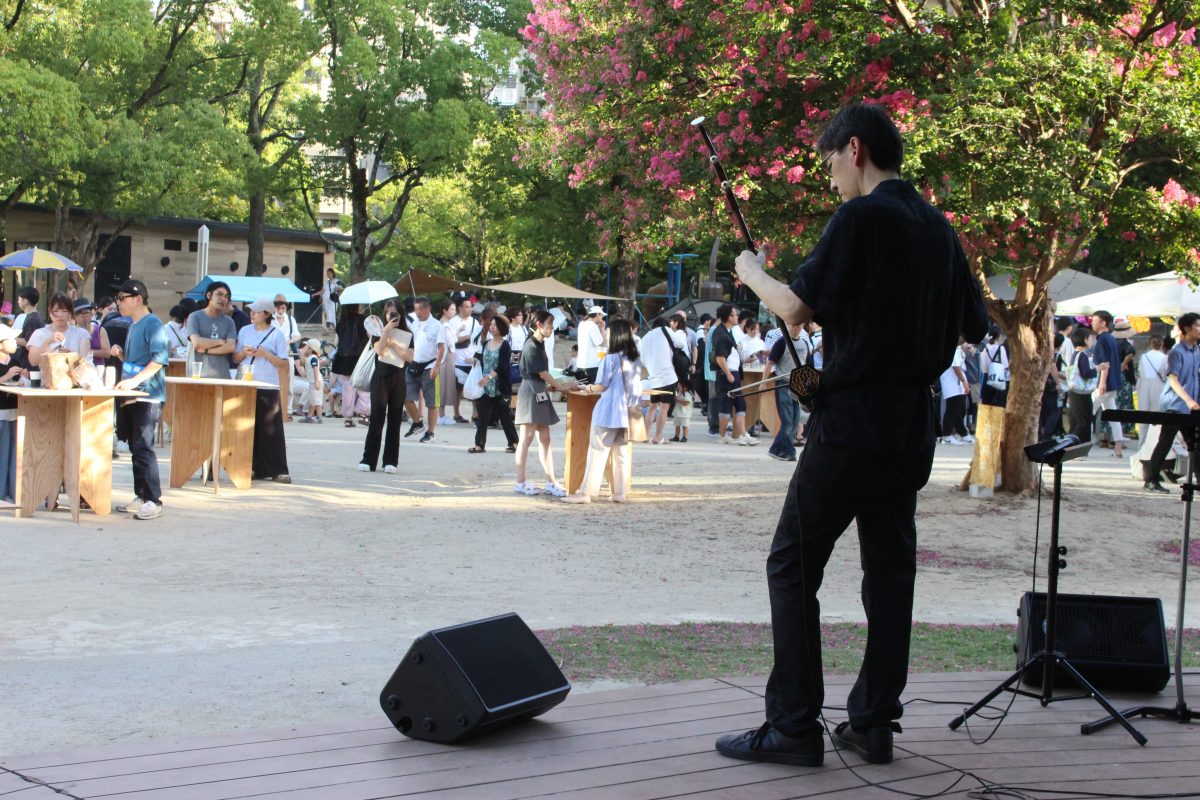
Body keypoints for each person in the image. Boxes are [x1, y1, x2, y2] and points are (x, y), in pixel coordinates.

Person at [715, 103, 988, 768]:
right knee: (889, 574)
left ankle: (794, 726)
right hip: (911, 427)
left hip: (852, 426)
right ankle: (872, 723)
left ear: (856, 150)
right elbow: (970, 327)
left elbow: (793, 306)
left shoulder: (862, 216)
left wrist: (751, 272)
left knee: (792, 564)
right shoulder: (939, 229)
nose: (831, 175)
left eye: (831, 161)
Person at [562, 318, 642, 504]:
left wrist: (585, 388)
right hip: (627, 412)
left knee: (597, 453)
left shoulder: (610, 359)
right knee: (620, 455)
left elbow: (600, 386)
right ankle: (619, 493)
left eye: (607, 331)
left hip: (607, 411)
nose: (605, 333)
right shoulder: (634, 359)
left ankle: (585, 493)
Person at [111, 279, 170, 520]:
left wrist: (135, 382)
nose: (119, 303)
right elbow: (138, 360)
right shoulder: (133, 325)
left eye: (122, 298)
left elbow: (159, 359)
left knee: (144, 447)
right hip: (132, 394)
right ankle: (142, 495)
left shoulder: (153, 324)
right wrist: (121, 355)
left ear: (138, 298)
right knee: (135, 446)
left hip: (148, 395)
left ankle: (154, 499)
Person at [231, 298, 292, 483]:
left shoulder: (277, 334)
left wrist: (265, 354)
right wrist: (246, 353)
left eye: (256, 311)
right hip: (246, 383)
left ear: (266, 314)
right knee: (249, 428)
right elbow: (235, 357)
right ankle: (252, 467)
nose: (252, 314)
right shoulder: (244, 331)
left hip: (268, 385)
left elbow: (284, 363)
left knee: (271, 430)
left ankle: (278, 468)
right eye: (252, 311)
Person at [514, 309, 569, 497]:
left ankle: (551, 481)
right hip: (531, 390)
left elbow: (544, 374)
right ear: (539, 325)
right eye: (549, 325)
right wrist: (560, 386)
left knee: (545, 438)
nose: (552, 329)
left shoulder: (538, 344)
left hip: (539, 390)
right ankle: (520, 481)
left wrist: (553, 385)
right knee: (526, 438)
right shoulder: (531, 345)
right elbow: (542, 373)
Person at [1143, 313, 1200, 493]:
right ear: (1187, 329)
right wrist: (1189, 400)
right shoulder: (1176, 352)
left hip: (1191, 406)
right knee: (1165, 442)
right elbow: (1173, 380)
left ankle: (1198, 479)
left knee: (1195, 442)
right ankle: (1150, 480)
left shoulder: (1196, 350)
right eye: (1198, 325)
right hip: (1175, 405)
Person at [359, 301, 412, 473]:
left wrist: (395, 344)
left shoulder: (408, 333)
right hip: (380, 378)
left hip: (398, 378)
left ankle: (391, 461)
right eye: (389, 314)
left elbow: (410, 357)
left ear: (401, 314)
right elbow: (380, 350)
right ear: (385, 315)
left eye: (395, 313)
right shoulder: (377, 331)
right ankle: (368, 460)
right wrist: (385, 333)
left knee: (395, 420)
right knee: (376, 419)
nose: (392, 317)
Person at [468, 314, 519, 454]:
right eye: (491, 325)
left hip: (499, 386)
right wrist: (474, 361)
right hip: (485, 387)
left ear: (501, 328)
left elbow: (502, 367)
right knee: (482, 416)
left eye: (495, 325)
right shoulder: (486, 343)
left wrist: (489, 377)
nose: (491, 327)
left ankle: (514, 443)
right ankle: (479, 445)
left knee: (504, 416)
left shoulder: (505, 345)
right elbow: (483, 361)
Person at [710, 303, 757, 445]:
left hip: (734, 372)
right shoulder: (721, 333)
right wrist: (728, 373)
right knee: (726, 404)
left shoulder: (727, 332)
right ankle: (723, 435)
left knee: (740, 404)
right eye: (735, 314)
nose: (737, 316)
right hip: (727, 374)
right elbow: (720, 357)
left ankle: (743, 434)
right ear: (728, 317)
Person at [766, 321, 810, 462]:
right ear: (788, 326)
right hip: (783, 385)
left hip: (798, 387)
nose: (796, 328)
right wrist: (763, 382)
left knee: (795, 421)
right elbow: (770, 363)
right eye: (793, 325)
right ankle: (789, 451)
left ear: (802, 326)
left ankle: (777, 449)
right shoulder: (781, 343)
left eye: (799, 325)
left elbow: (807, 366)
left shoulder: (804, 344)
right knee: (787, 422)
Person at [405, 296, 444, 444]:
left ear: (428, 308)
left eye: (421, 309)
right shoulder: (414, 324)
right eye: (416, 309)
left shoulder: (436, 325)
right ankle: (417, 422)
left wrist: (436, 366)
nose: (418, 312)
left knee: (432, 402)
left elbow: (441, 348)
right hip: (414, 364)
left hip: (430, 365)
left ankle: (431, 432)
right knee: (406, 397)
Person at [640, 316, 685, 444]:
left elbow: (643, 360)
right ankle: (658, 436)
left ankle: (645, 435)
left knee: (652, 406)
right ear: (665, 324)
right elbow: (681, 344)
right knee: (664, 408)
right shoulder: (666, 330)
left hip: (653, 377)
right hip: (668, 376)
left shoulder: (645, 337)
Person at [1089, 310, 1126, 457]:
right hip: (1114, 382)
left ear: (1103, 323)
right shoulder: (1111, 339)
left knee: (1087, 412)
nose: (1092, 322)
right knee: (1112, 414)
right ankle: (1118, 446)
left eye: (1095, 320)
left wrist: (1102, 383)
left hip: (1104, 383)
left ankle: (1082, 444)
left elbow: (1105, 363)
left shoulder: (1102, 340)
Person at [26, 292, 91, 369]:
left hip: (74, 379)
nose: (60, 315)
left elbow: (86, 362)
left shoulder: (81, 333)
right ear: (50, 312)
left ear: (70, 313)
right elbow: (33, 361)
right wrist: (48, 341)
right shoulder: (39, 333)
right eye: (56, 310)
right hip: (48, 379)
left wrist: (72, 355)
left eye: (64, 311)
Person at [186, 282, 237, 378]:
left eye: (226, 296)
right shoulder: (194, 317)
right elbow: (197, 343)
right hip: (197, 376)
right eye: (219, 294)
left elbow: (230, 347)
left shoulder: (229, 321)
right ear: (208, 295)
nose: (223, 299)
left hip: (222, 376)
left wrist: (205, 351)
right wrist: (220, 341)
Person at [331, 304, 370, 426]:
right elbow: (370, 337)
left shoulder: (341, 323)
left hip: (344, 360)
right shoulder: (364, 320)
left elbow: (336, 342)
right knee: (364, 389)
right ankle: (363, 413)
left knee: (347, 390)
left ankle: (348, 418)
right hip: (360, 359)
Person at [0, 322, 26, 502]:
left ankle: (13, 492)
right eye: (10, 339)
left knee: (14, 454)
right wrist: (7, 377)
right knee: (2, 454)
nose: (15, 342)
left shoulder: (16, 361)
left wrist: (23, 377)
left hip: (16, 411)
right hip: (1, 413)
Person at [448, 299, 479, 423]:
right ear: (460, 308)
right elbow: (450, 340)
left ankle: (475, 414)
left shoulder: (474, 322)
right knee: (458, 389)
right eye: (466, 307)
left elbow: (477, 340)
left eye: (470, 307)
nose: (469, 309)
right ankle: (456, 413)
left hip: (471, 359)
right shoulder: (452, 322)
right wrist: (466, 337)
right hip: (458, 360)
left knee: (474, 387)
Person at [1064, 326, 1097, 443]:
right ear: (1084, 339)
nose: (1092, 341)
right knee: (1084, 421)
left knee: (1075, 421)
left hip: (1074, 391)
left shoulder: (1075, 354)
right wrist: (1097, 369)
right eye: (1090, 338)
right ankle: (1079, 446)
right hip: (1082, 392)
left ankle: (1069, 444)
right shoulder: (1082, 355)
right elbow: (1086, 373)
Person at [938, 336, 972, 445]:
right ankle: (947, 435)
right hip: (953, 384)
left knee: (960, 409)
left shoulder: (957, 349)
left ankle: (963, 433)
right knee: (953, 409)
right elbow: (956, 367)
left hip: (957, 384)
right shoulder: (953, 349)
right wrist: (964, 382)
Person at [436, 299, 458, 424]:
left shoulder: (445, 324)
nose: (453, 312)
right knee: (442, 385)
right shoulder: (444, 324)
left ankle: (442, 414)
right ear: (445, 310)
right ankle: (440, 415)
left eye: (454, 310)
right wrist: (457, 336)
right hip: (445, 357)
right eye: (451, 309)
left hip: (446, 356)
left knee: (444, 385)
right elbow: (451, 342)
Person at [293, 338, 325, 422]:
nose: (304, 348)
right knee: (313, 400)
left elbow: (315, 370)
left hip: (316, 381)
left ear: (311, 349)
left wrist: (317, 382)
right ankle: (311, 417)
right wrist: (301, 354)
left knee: (316, 401)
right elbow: (302, 363)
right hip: (313, 382)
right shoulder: (309, 358)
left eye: (306, 346)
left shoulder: (313, 358)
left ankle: (317, 417)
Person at [979, 325, 1008, 409]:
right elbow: (1005, 365)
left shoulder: (984, 349)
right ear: (999, 337)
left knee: (986, 407)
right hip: (999, 380)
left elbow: (983, 369)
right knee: (998, 407)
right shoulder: (1001, 349)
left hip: (987, 380)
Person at [575, 306, 607, 383]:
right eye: (601, 315)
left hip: (580, 364)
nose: (602, 317)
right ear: (597, 315)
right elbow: (602, 343)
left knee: (582, 391)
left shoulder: (581, 324)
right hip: (592, 365)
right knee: (592, 392)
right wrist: (602, 329)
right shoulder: (593, 326)